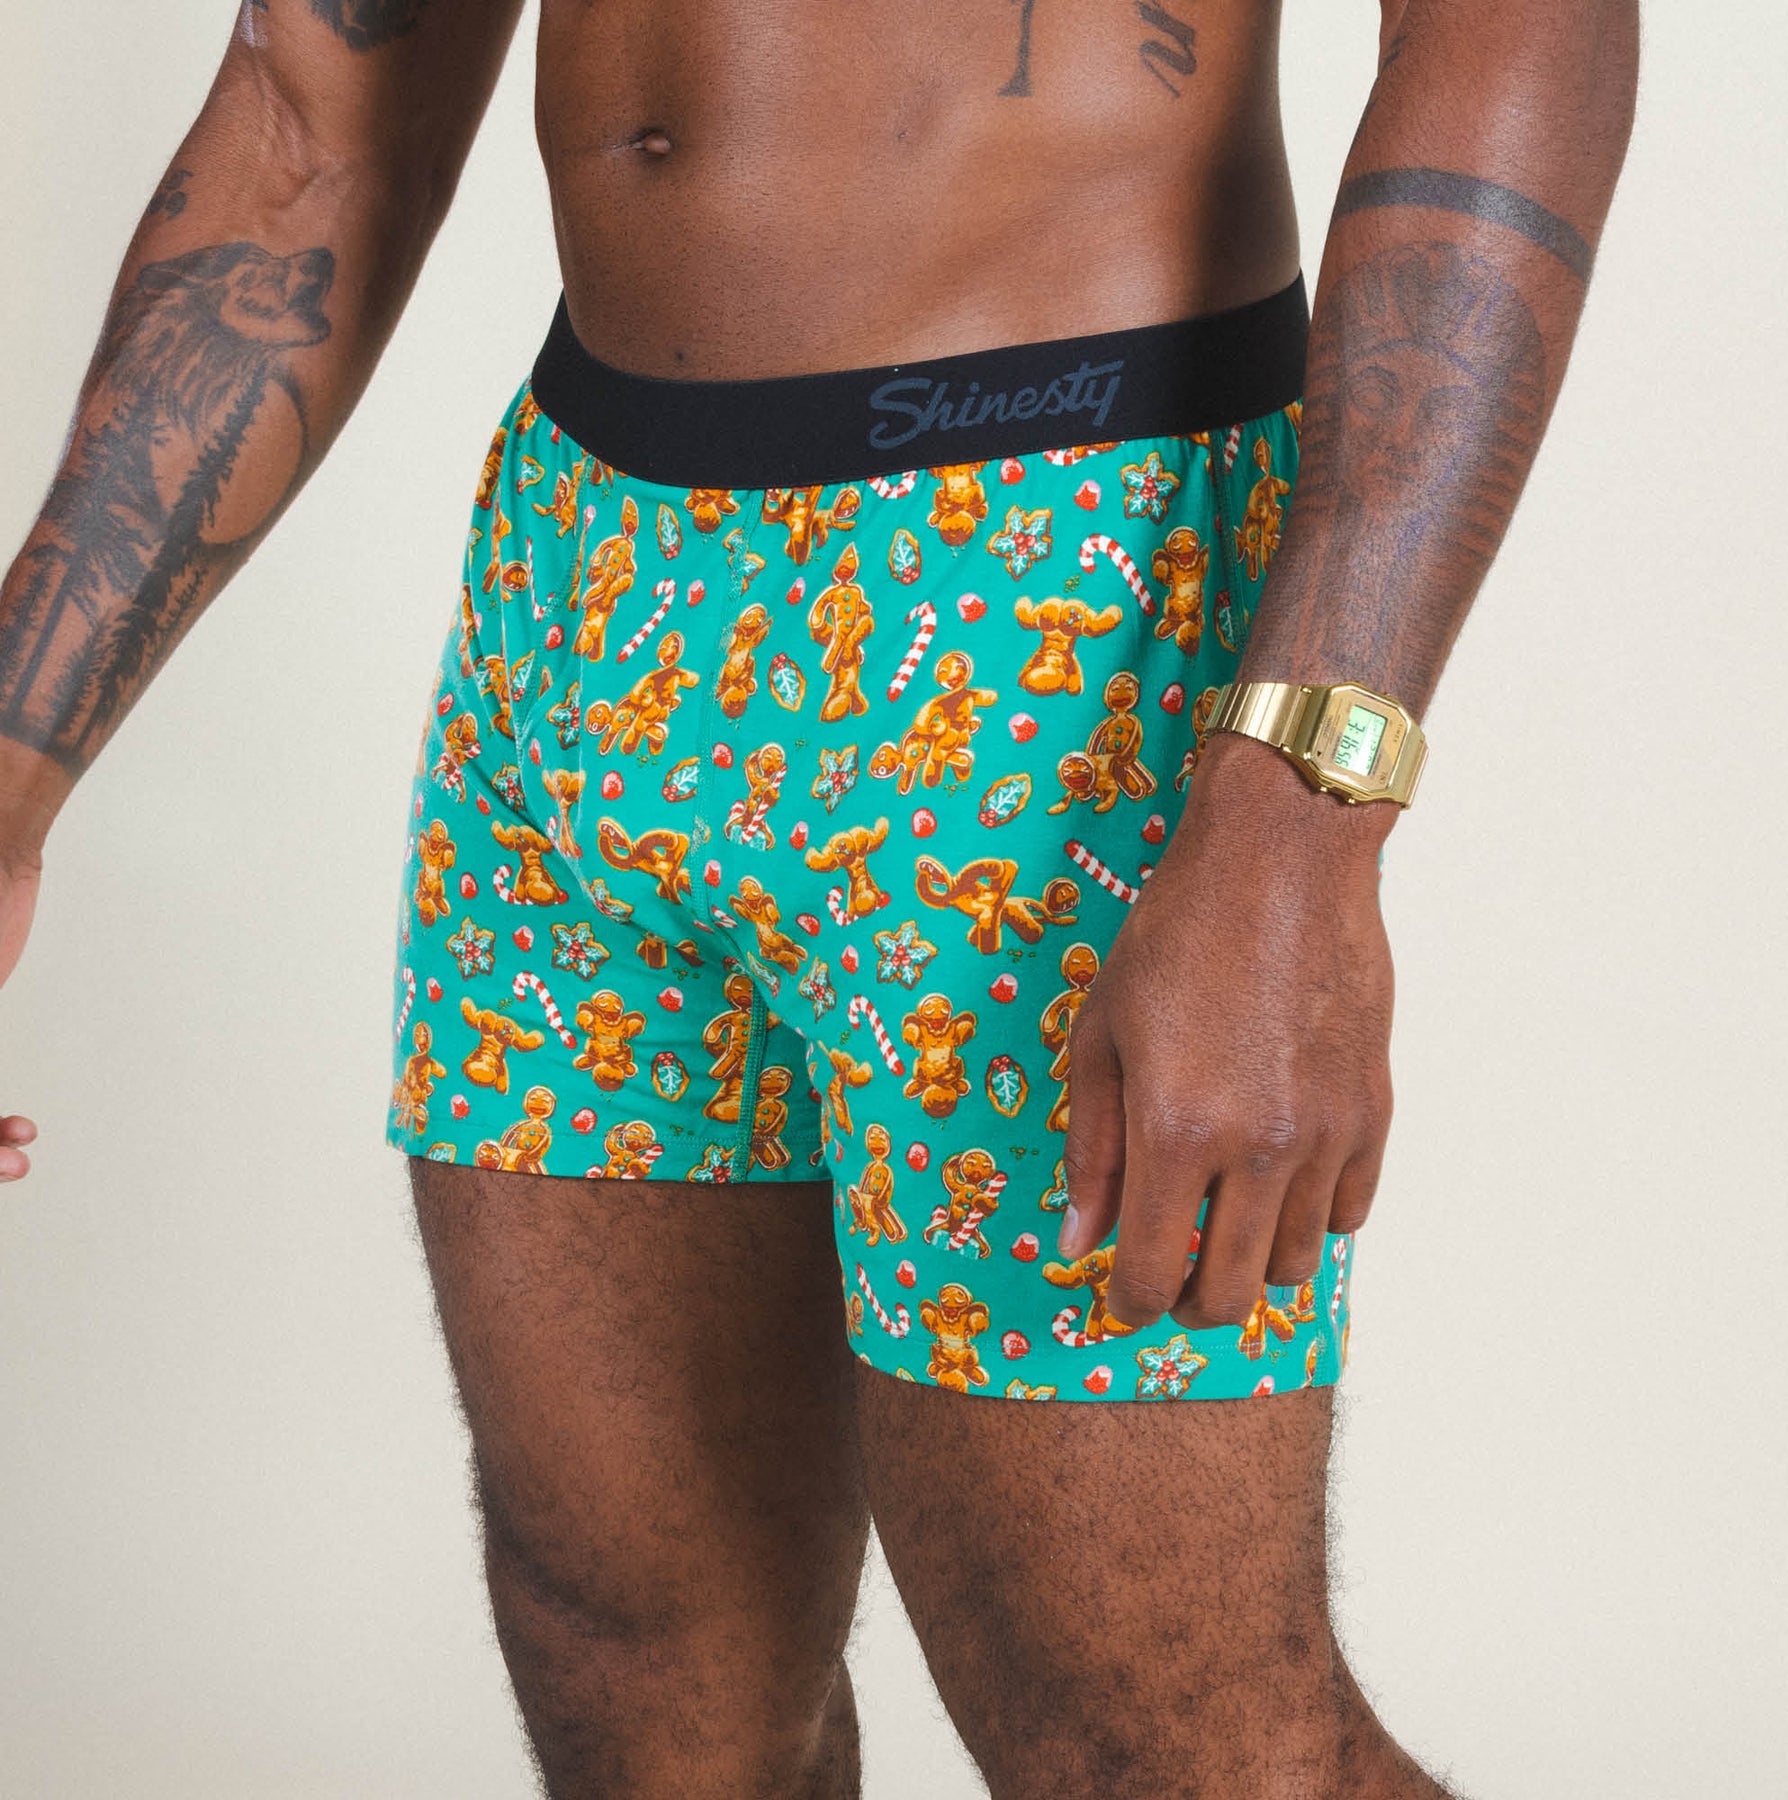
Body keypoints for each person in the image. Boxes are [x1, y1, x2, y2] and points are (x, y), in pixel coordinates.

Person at [0, 2, 1637, 1793]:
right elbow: (313, 115)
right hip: (584, 581)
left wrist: (1305, 809)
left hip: (1062, 623)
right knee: (634, 1667)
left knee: (1153, 1740)